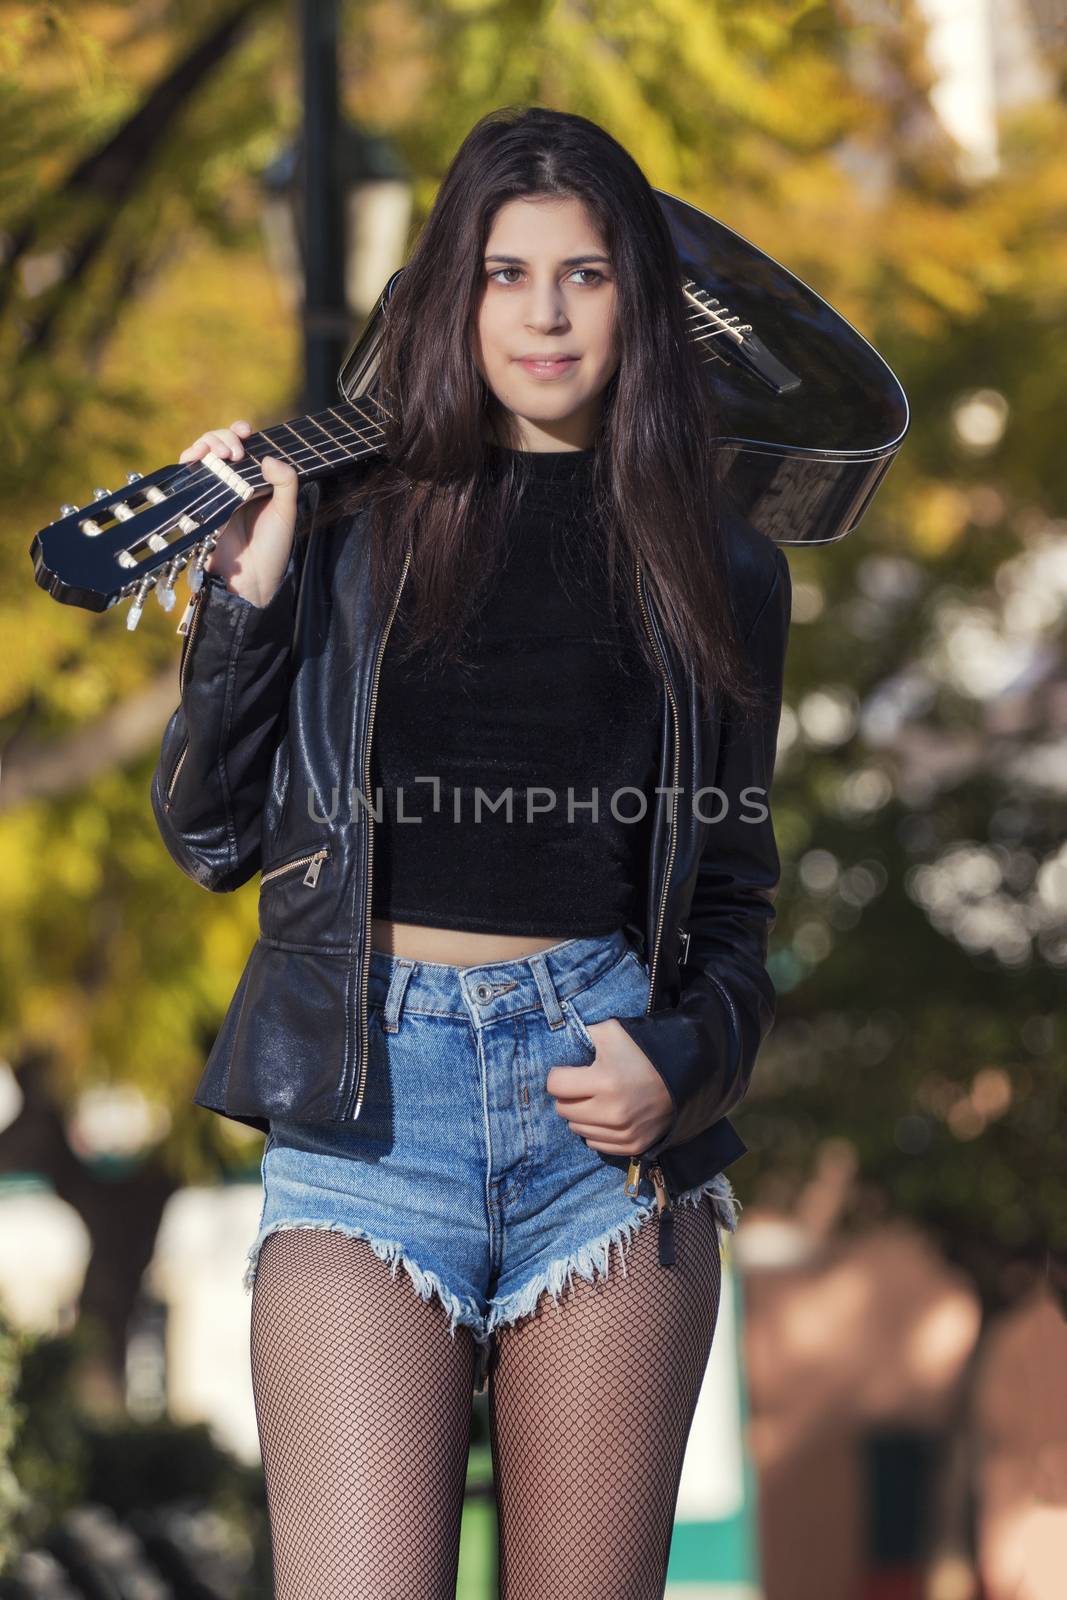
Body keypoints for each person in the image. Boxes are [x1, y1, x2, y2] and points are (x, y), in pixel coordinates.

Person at [159, 104, 791, 1600]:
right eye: (507, 273)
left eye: (585, 273)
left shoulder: (726, 565)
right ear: (455, 291)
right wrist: (242, 607)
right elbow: (210, 831)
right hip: (370, 1115)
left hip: (605, 1136)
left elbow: (738, 895)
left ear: (639, 295)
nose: (546, 313)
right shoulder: (345, 526)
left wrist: (685, 1057)